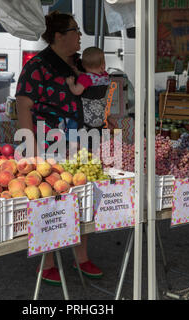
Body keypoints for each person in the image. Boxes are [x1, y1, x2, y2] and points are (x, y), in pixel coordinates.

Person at [16, 11, 103, 285]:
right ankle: (48, 260)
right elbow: (23, 107)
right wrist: (29, 149)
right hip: (48, 143)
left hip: (84, 141)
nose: (80, 35)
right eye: (75, 30)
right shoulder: (37, 66)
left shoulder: (80, 63)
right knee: (51, 200)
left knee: (85, 195)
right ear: (58, 36)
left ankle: (81, 255)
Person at [66, 46, 111, 130]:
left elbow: (77, 91)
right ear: (103, 64)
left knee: (71, 120)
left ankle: (71, 139)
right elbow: (92, 76)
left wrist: (70, 84)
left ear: (83, 64)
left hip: (86, 117)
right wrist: (78, 72)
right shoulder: (105, 76)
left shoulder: (85, 79)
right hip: (101, 116)